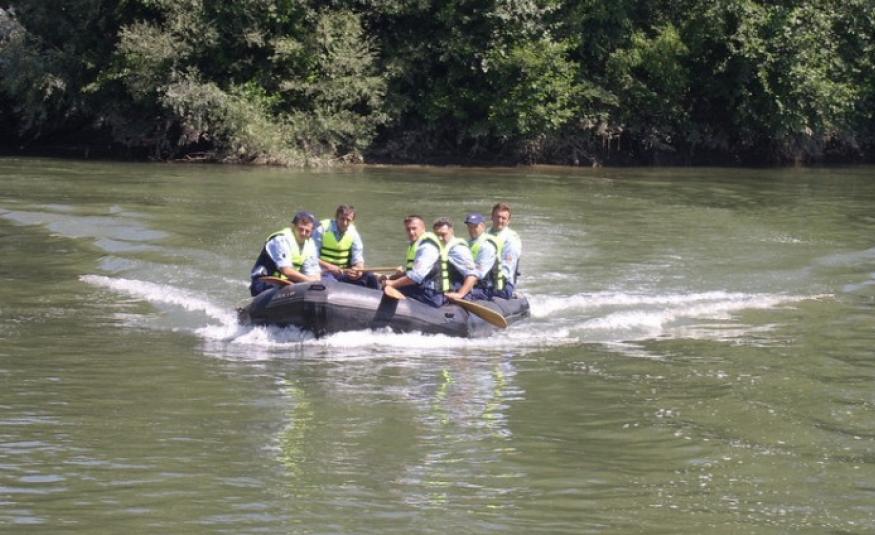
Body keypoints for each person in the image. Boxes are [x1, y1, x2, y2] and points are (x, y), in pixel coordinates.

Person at [248, 211, 321, 296]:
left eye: (307, 231)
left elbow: (314, 274)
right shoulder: (281, 239)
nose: (303, 233)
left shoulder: (310, 246)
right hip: (265, 282)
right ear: (293, 226)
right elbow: (286, 270)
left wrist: (314, 283)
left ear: (312, 232)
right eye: (300, 229)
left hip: (289, 283)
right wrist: (309, 281)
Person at [382, 215, 445, 307]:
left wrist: (392, 283)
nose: (411, 232)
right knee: (375, 281)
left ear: (423, 228)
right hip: (421, 288)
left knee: (382, 290)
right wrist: (392, 277)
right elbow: (413, 272)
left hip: (429, 295)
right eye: (408, 229)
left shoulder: (427, 247)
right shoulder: (417, 244)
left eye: (414, 228)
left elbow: (415, 277)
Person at [312, 204, 380, 288]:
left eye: (348, 220)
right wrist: (329, 266)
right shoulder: (322, 229)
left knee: (370, 277)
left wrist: (358, 269)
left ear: (352, 221)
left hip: (344, 272)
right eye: (342, 219)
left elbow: (358, 258)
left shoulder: (354, 233)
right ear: (336, 217)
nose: (344, 223)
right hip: (324, 272)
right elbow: (311, 257)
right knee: (330, 284)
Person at [445, 212, 501, 301]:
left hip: (484, 288)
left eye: (475, 226)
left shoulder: (487, 247)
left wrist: (461, 292)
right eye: (469, 226)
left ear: (483, 226)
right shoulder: (467, 243)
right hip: (471, 283)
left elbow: (477, 274)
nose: (471, 229)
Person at [487, 202, 521, 298]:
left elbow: (507, 268)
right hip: (484, 278)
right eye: (497, 217)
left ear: (508, 221)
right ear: (492, 217)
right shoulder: (484, 234)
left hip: (502, 284)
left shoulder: (511, 239)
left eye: (503, 218)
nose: (500, 220)